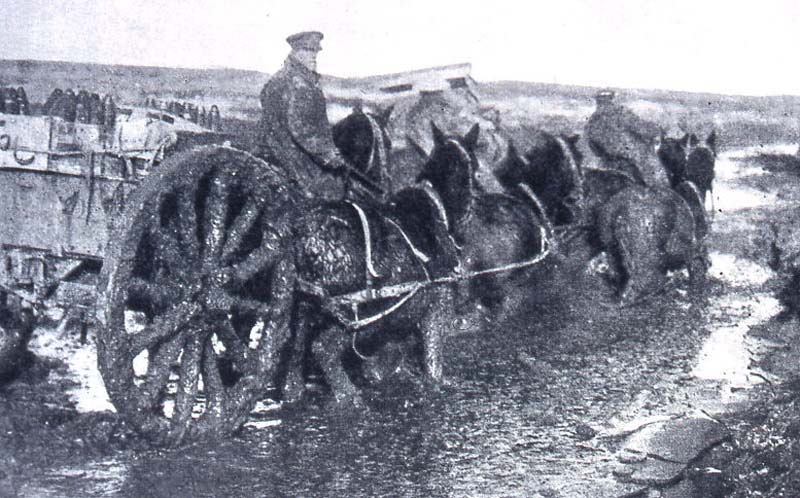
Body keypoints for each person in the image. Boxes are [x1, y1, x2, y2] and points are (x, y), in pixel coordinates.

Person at [257, 31, 352, 199]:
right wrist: (330, 157)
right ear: (295, 52)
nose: (314, 56)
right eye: (308, 51)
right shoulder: (300, 85)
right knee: (338, 195)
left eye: (315, 52)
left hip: (271, 157)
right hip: (296, 163)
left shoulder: (277, 79)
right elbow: (302, 130)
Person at [584, 89, 668, 187]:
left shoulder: (591, 122)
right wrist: (658, 130)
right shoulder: (620, 113)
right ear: (612, 98)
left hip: (607, 164)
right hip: (633, 163)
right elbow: (644, 129)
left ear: (598, 101)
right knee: (659, 183)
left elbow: (594, 148)